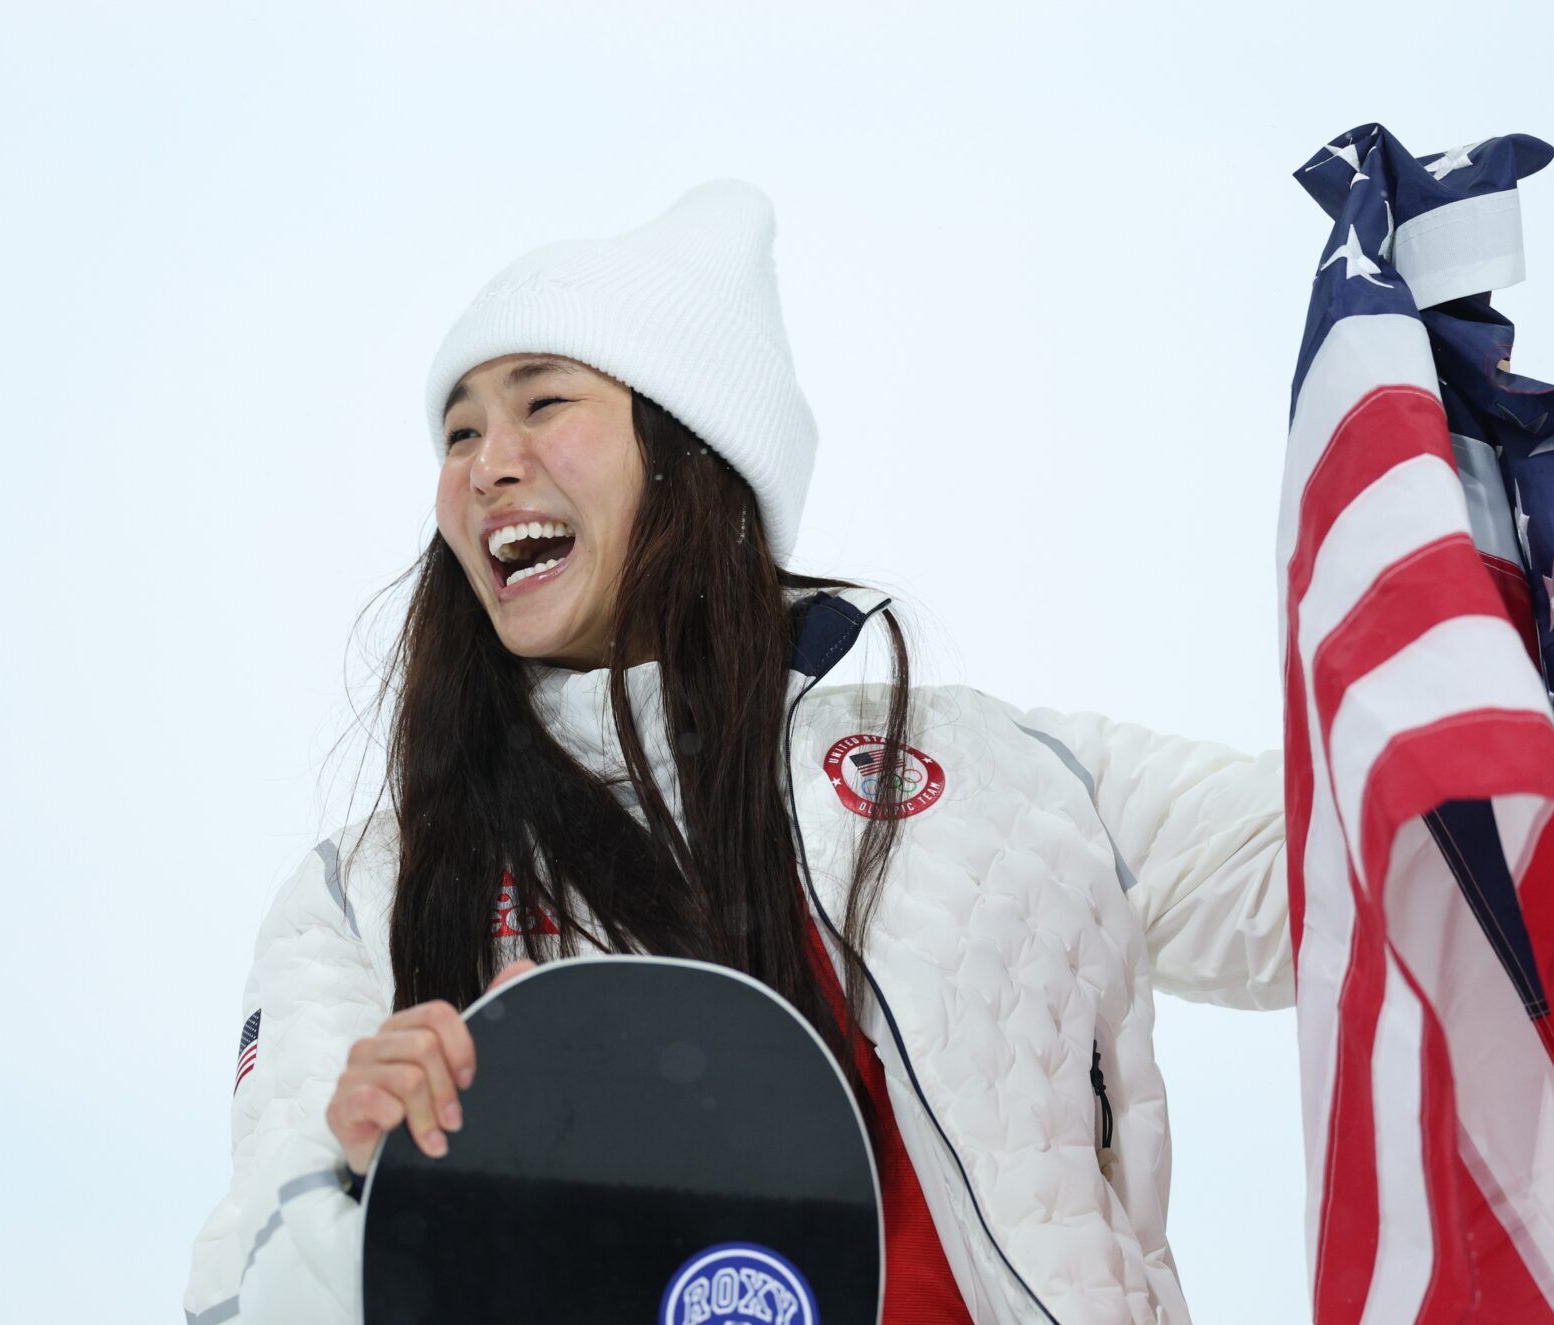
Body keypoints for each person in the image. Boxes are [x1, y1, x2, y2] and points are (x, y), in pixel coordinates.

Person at [182, 180, 1292, 1325]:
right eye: (459, 430)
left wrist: (1460, 563)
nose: (485, 464)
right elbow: (239, 1286)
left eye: (542, 401)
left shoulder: (998, 781)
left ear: (691, 446)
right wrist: (357, 1178)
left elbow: (1348, 866)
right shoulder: (364, 894)